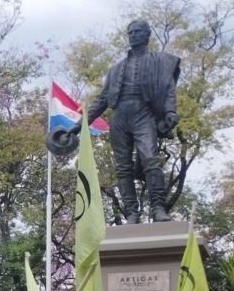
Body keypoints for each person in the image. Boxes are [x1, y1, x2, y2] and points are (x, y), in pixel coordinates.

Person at [77, 19, 181, 224]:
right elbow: (101, 100)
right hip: (119, 116)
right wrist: (77, 126)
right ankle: (132, 212)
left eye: (137, 32)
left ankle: (158, 208)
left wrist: (170, 111)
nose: (133, 35)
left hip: (143, 114)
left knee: (150, 160)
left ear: (146, 35)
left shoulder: (159, 62)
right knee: (123, 167)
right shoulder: (115, 69)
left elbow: (168, 88)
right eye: (130, 32)